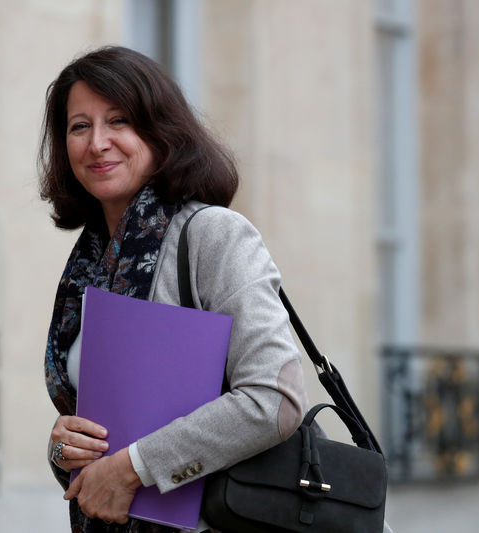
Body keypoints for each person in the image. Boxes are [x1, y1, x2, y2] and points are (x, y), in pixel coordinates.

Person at [40, 46, 308, 533]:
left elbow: (274, 398)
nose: (98, 142)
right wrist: (64, 448)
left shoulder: (212, 235)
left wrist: (132, 469)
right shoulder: (88, 265)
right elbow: (106, 424)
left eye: (118, 121)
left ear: (160, 132)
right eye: (80, 127)